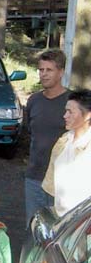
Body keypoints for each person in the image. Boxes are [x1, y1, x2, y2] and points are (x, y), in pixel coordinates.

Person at [24, 50, 69, 223]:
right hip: (34, 177)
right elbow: (30, 133)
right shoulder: (34, 100)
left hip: (62, 180)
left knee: (59, 230)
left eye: (49, 70)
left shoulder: (71, 102)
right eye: (41, 70)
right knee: (33, 229)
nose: (43, 74)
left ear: (61, 72)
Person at [42, 89, 91, 217]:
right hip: (62, 220)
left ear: (88, 115)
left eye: (70, 112)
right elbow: (51, 186)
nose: (65, 116)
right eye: (65, 111)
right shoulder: (64, 141)